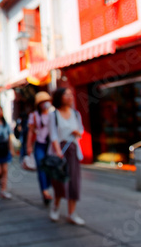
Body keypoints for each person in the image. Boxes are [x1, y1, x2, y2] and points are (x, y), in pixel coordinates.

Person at [48, 88, 85, 225]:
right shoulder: (54, 115)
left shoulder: (76, 114)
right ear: (59, 97)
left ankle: (72, 213)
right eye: (66, 94)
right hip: (59, 152)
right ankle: (55, 206)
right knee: (59, 183)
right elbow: (53, 135)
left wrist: (77, 132)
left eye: (71, 94)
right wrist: (58, 151)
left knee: (74, 182)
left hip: (73, 151)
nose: (70, 97)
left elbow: (81, 130)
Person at [26, 91, 53, 206]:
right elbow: (30, 131)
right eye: (42, 102)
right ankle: (45, 192)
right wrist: (28, 146)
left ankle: (47, 187)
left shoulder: (53, 113)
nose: (44, 104)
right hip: (40, 144)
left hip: (51, 145)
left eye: (46, 101)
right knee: (41, 168)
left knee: (51, 168)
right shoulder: (34, 116)